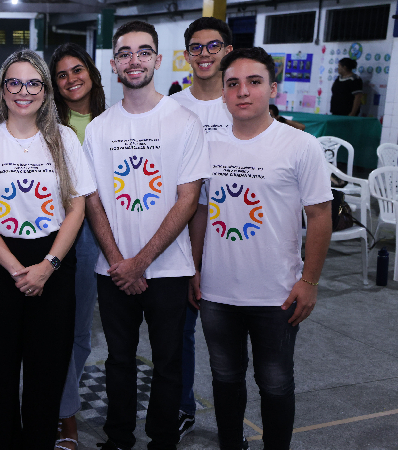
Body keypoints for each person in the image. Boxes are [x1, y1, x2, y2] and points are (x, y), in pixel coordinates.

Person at [193, 47, 332, 450]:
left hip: (277, 293)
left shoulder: (299, 145)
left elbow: (319, 216)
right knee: (225, 379)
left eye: (254, 82)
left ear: (272, 88)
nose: (242, 91)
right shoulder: (209, 145)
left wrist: (310, 280)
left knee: (275, 383)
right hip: (217, 293)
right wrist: (196, 267)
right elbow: (201, 210)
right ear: (223, 92)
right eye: (233, 83)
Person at [0, 49, 96, 450]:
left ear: (45, 90)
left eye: (33, 82)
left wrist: (47, 265)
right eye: (14, 82)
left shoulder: (64, 139)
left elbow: (77, 207)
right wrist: (18, 269)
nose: (24, 91)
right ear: (2, 90)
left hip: (53, 264)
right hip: (1, 266)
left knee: (46, 375)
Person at [82, 20, 209, 450]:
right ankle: (118, 437)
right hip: (113, 269)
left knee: (168, 361)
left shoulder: (184, 121)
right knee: (118, 360)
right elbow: (94, 200)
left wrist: (142, 262)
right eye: (124, 53)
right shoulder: (100, 128)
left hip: (169, 269)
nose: (133, 59)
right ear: (115, 65)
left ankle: (162, 440)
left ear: (157, 60)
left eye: (143, 51)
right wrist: (122, 262)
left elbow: (187, 199)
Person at [170, 16, 234, 444]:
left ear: (228, 49)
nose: (205, 53)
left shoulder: (242, 99)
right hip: (186, 231)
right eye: (196, 47)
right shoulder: (175, 107)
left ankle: (233, 422)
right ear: (186, 54)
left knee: (232, 335)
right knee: (182, 331)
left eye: (213, 45)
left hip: (236, 231)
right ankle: (182, 405)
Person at [48, 41, 106, 450]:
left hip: (115, 234)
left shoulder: (113, 120)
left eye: (77, 70)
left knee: (85, 334)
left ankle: (59, 400)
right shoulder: (47, 124)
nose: (70, 79)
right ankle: (64, 413)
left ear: (91, 73)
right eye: (62, 74)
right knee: (66, 330)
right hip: (71, 233)